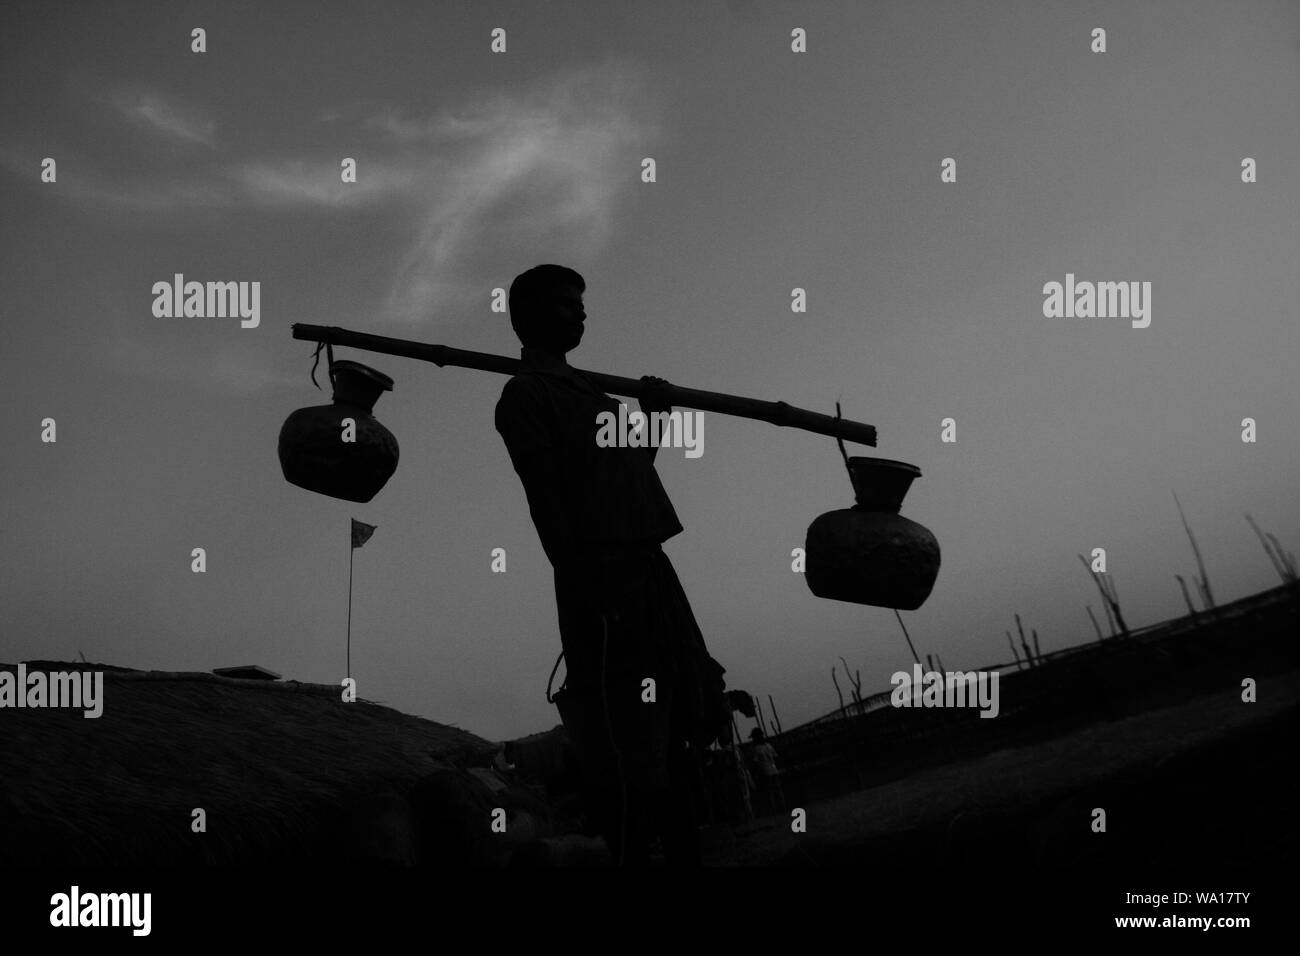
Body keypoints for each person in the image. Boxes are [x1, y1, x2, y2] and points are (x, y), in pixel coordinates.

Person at [494, 264, 732, 866]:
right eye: (565, 304)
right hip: (599, 578)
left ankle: (686, 845)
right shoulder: (527, 395)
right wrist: (590, 590)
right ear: (527, 318)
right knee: (630, 732)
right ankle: (637, 848)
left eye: (582, 304)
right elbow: (547, 504)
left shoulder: (597, 396)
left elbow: (631, 470)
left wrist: (652, 414)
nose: (580, 313)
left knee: (680, 711)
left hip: (649, 567)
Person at [746, 728, 785, 816]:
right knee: (778, 790)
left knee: (769, 791)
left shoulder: (756, 749)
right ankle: (782, 807)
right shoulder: (768, 745)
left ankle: (774, 810)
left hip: (765, 772)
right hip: (774, 770)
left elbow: (755, 762)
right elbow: (775, 757)